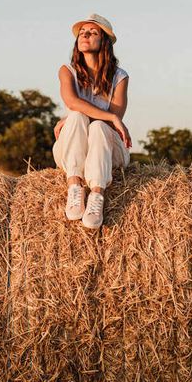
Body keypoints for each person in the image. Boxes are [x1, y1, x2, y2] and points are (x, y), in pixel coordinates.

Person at [52, 13, 132, 229]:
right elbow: (72, 101)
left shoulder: (119, 77)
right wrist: (111, 115)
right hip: (72, 150)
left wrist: (108, 119)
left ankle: (97, 194)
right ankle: (75, 186)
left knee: (97, 125)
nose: (85, 35)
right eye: (82, 33)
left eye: (92, 32)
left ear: (104, 42)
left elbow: (108, 127)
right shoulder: (67, 71)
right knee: (77, 115)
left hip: (108, 150)